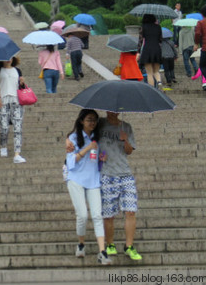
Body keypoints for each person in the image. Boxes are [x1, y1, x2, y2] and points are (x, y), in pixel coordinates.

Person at [67, 111, 142, 261]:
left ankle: (129, 246)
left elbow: (129, 151)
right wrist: (67, 140)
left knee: (131, 211)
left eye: (116, 109)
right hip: (106, 174)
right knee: (108, 214)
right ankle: (110, 244)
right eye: (110, 109)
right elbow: (82, 130)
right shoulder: (99, 123)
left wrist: (125, 140)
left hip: (125, 173)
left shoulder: (126, 126)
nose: (113, 112)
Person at [65, 109, 112, 265]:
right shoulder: (73, 138)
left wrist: (101, 158)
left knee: (98, 215)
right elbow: (71, 162)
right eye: (89, 120)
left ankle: (102, 252)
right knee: (83, 215)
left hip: (93, 180)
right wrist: (87, 148)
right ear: (81, 121)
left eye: (94, 120)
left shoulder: (98, 138)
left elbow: (97, 160)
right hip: (76, 179)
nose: (92, 123)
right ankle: (81, 243)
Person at [0, 57, 26, 163]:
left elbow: (21, 86)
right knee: (4, 127)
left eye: (10, 57)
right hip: (3, 100)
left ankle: (17, 153)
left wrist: (22, 82)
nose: (8, 59)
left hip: (16, 101)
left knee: (18, 128)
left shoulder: (17, 70)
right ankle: (3, 145)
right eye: (6, 57)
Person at [139, 14, 163, 88]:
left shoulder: (143, 27)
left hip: (147, 50)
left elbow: (140, 40)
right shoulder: (158, 27)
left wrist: (138, 52)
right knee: (156, 71)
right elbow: (160, 40)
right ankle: (159, 81)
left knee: (149, 73)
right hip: (157, 50)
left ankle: (152, 89)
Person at [193, 4, 206, 90]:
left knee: (203, 66)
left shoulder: (201, 22)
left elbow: (197, 34)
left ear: (202, 14)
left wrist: (196, 43)